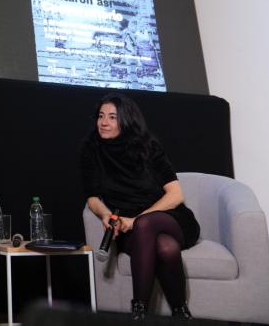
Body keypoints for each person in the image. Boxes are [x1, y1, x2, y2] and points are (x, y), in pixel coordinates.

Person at [81, 92, 200, 320]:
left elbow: (175, 195)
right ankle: (181, 312)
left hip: (169, 218)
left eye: (112, 117)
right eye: (101, 116)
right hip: (130, 230)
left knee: (147, 224)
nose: (104, 122)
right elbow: (92, 197)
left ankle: (139, 312)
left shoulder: (148, 146)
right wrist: (106, 216)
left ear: (126, 120)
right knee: (166, 248)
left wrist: (135, 221)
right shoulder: (91, 150)